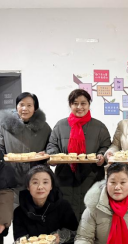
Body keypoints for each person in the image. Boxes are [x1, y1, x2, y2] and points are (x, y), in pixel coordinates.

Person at [47, 89, 111, 220]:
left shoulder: (99, 127)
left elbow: (106, 146)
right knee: (65, 216)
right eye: (75, 103)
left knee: (90, 217)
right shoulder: (60, 125)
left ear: (89, 105)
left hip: (92, 177)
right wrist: (55, 156)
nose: (79, 107)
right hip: (65, 178)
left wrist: (101, 156)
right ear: (70, 105)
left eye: (83, 103)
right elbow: (52, 145)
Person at [0, 92, 52, 202]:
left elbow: (52, 145)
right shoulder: (5, 126)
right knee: (15, 207)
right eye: (21, 105)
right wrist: (2, 157)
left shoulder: (44, 127)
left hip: (37, 176)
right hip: (12, 176)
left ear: (35, 108)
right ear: (16, 106)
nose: (25, 108)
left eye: (29, 105)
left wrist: (46, 153)